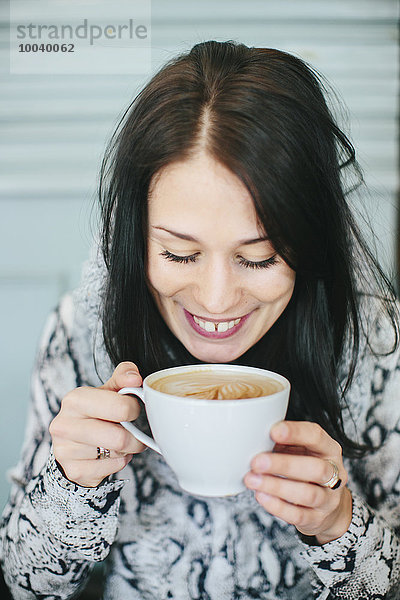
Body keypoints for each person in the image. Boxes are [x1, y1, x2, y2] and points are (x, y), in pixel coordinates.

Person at [1, 40, 399, 600]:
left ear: (308, 242)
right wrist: (69, 488)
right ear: (136, 239)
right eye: (179, 255)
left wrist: (339, 525)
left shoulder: (376, 339)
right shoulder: (79, 332)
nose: (215, 300)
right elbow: (27, 586)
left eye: (257, 258)